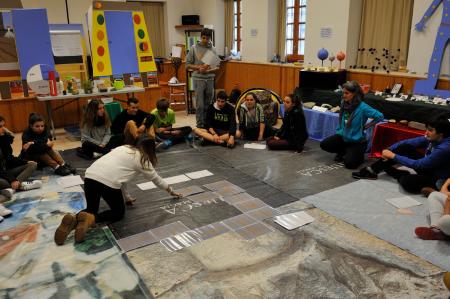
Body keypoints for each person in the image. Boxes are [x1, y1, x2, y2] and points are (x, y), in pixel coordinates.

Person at [54, 120, 182, 245]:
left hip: (90, 176)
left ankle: (72, 220)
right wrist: (171, 191)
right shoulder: (143, 160)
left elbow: (122, 176)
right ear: (151, 149)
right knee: (118, 213)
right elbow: (157, 179)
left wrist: (127, 197)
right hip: (107, 182)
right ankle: (91, 219)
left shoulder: (123, 147)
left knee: (91, 209)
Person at [352, 116, 450, 194]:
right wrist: (388, 150)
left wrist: (393, 156)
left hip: (438, 178)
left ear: (440, 134)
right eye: (427, 129)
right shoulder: (434, 137)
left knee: (407, 182)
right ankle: (372, 170)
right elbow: (408, 143)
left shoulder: (445, 148)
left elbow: (419, 164)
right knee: (404, 148)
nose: (426, 132)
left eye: (430, 130)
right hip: (429, 167)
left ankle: (400, 174)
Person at [320, 80, 383, 169]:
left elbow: (380, 116)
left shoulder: (363, 107)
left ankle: (358, 154)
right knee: (324, 144)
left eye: (347, 93)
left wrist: (367, 126)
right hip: (344, 137)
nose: (343, 95)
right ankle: (343, 151)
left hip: (356, 141)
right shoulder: (344, 103)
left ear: (355, 94)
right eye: (343, 93)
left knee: (350, 164)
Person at [0, 115, 42, 199]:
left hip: (7, 171)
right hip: (1, 175)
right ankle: (20, 185)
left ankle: (14, 187)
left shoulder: (3, 139)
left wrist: (25, 162)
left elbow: (10, 158)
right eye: (0, 127)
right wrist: (12, 179)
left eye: (3, 126)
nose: (3, 129)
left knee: (32, 164)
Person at [186, 28, 219, 128]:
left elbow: (217, 67)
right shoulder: (193, 48)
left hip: (209, 79)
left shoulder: (213, 49)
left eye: (208, 38)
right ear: (201, 37)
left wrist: (208, 70)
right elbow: (187, 65)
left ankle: (207, 124)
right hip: (198, 78)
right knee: (200, 105)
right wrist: (199, 67)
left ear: (210, 38)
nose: (206, 40)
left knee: (208, 104)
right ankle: (199, 125)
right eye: (204, 38)